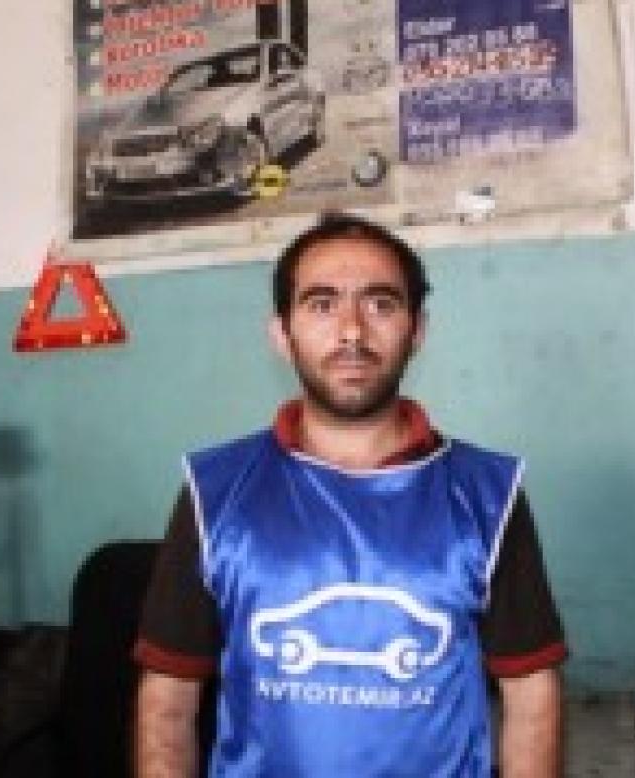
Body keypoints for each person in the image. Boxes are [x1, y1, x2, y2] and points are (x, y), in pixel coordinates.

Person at [134, 212, 567, 777]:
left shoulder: (490, 495)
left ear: (417, 331)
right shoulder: (213, 491)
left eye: (381, 304)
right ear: (281, 333)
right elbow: (167, 705)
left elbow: (531, 701)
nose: (352, 332)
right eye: (322, 304)